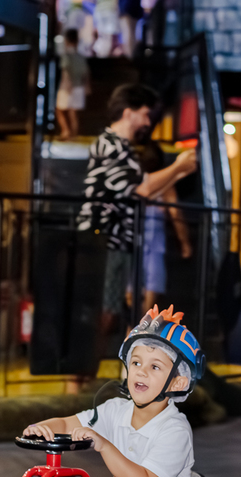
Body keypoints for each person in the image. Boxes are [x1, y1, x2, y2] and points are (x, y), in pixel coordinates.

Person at [22, 305, 205, 477]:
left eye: (155, 367)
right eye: (136, 363)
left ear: (178, 382)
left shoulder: (175, 429)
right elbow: (66, 423)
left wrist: (104, 445)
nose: (141, 372)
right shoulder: (115, 409)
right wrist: (40, 427)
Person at [76, 83, 196, 340]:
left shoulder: (119, 146)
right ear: (128, 113)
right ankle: (84, 365)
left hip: (115, 240)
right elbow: (142, 189)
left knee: (112, 310)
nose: (147, 122)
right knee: (105, 311)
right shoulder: (111, 145)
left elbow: (143, 192)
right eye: (144, 114)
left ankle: (90, 363)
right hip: (106, 239)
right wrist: (178, 168)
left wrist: (178, 172)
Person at [132, 140, 192, 312]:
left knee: (132, 294)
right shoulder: (164, 185)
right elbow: (175, 213)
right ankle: (140, 325)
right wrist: (185, 242)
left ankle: (133, 324)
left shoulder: (134, 182)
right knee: (150, 296)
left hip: (133, 245)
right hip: (152, 246)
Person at [56, 29, 90, 141]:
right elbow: (86, 73)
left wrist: (68, 85)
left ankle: (66, 131)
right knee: (73, 112)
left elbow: (66, 71)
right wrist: (87, 86)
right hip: (79, 86)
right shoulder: (80, 56)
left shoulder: (66, 55)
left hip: (67, 86)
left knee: (60, 110)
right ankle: (73, 134)